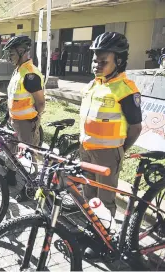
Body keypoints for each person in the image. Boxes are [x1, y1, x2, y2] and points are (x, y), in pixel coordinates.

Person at [79, 32, 142, 258]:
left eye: (103, 61)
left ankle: (105, 241)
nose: (96, 64)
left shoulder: (126, 89)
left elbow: (135, 127)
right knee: (88, 193)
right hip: (86, 149)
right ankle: (93, 227)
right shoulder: (94, 84)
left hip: (107, 154)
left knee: (105, 199)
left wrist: (119, 151)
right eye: (95, 60)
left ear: (119, 61)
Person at [2, 36, 45, 199]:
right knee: (12, 149)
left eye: (11, 53)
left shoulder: (30, 74)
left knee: (29, 155)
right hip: (15, 121)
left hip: (27, 123)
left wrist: (34, 120)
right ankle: (11, 175)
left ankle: (30, 188)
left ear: (22, 52)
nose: (9, 57)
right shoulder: (19, 70)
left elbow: (40, 103)